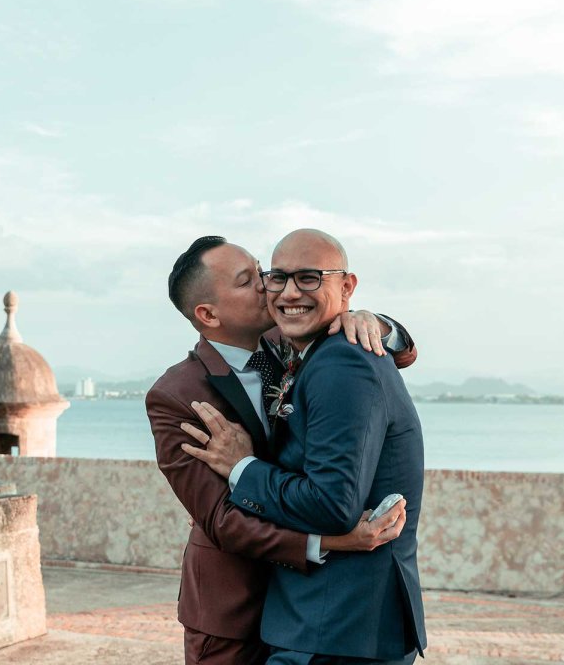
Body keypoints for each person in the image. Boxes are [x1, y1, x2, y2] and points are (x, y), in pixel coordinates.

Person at [147, 235, 415, 665]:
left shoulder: (287, 338)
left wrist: (377, 322)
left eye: (260, 271)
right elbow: (220, 519)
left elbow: (381, 355)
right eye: (247, 280)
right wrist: (330, 540)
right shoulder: (176, 395)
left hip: (306, 607)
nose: (267, 286)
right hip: (233, 607)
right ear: (207, 313)